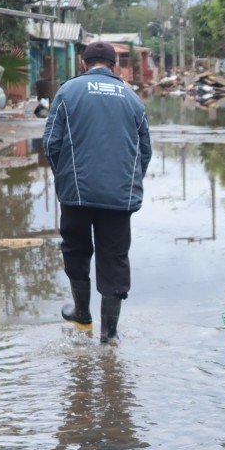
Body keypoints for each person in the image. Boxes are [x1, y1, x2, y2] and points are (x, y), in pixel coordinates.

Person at [43, 41, 152, 344]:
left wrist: (65, 177)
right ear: (114, 65)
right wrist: (128, 184)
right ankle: (110, 334)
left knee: (76, 250)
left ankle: (82, 315)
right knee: (114, 257)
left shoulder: (67, 92)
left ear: (83, 62)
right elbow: (144, 151)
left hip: (76, 194)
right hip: (119, 197)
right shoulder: (132, 99)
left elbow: (51, 142)